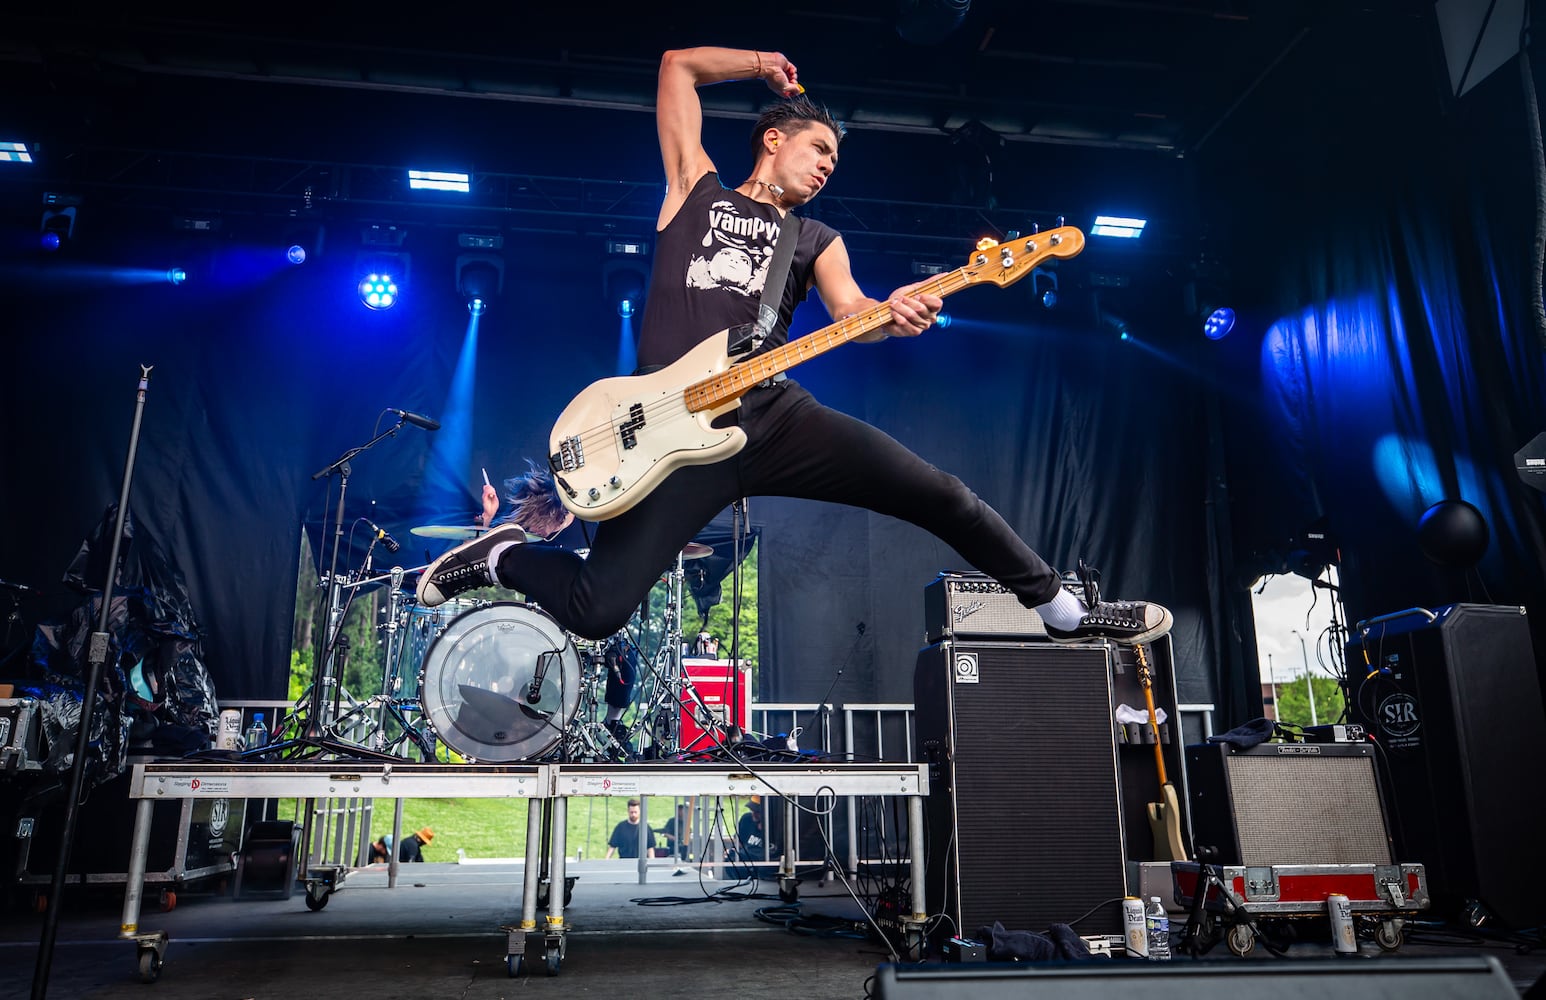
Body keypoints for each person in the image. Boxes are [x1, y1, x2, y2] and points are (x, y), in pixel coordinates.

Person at [417, 44, 1171, 651]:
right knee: (594, 609)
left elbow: (854, 311)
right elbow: (676, 66)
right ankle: (501, 556)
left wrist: (895, 315)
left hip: (772, 413)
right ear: (772, 140)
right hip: (666, 422)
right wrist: (759, 64)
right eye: (817, 149)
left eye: (834, 162)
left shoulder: (815, 238)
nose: (826, 166)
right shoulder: (694, 190)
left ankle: (1057, 606)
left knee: (940, 493)